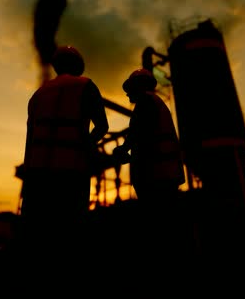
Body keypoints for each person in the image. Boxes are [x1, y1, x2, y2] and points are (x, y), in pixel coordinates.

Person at [20, 45, 109, 256]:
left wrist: (29, 173)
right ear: (79, 66)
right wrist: (86, 144)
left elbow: (29, 139)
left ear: (56, 66)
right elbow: (102, 126)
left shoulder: (38, 94)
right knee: (70, 231)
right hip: (72, 170)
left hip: (38, 173)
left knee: (38, 233)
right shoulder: (86, 86)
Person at [113, 68, 185, 256]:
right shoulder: (156, 103)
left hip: (156, 175)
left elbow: (138, 132)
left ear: (139, 86)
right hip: (165, 173)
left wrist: (123, 149)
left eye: (130, 88)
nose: (127, 93)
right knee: (167, 224)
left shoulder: (145, 102)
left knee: (156, 227)